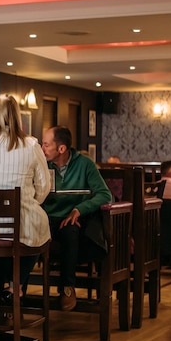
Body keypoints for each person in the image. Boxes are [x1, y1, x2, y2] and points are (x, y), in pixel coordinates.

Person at [0, 95, 51, 305]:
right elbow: (44, 187)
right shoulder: (31, 145)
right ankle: (15, 285)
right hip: (20, 227)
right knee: (37, 231)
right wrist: (28, 202)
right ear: (15, 115)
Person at [40, 125, 112, 309]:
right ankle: (17, 291)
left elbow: (105, 195)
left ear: (61, 148)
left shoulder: (85, 164)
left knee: (71, 230)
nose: (42, 148)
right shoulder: (41, 164)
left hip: (72, 219)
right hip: (45, 218)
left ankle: (67, 288)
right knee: (25, 230)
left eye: (46, 145)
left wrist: (79, 209)